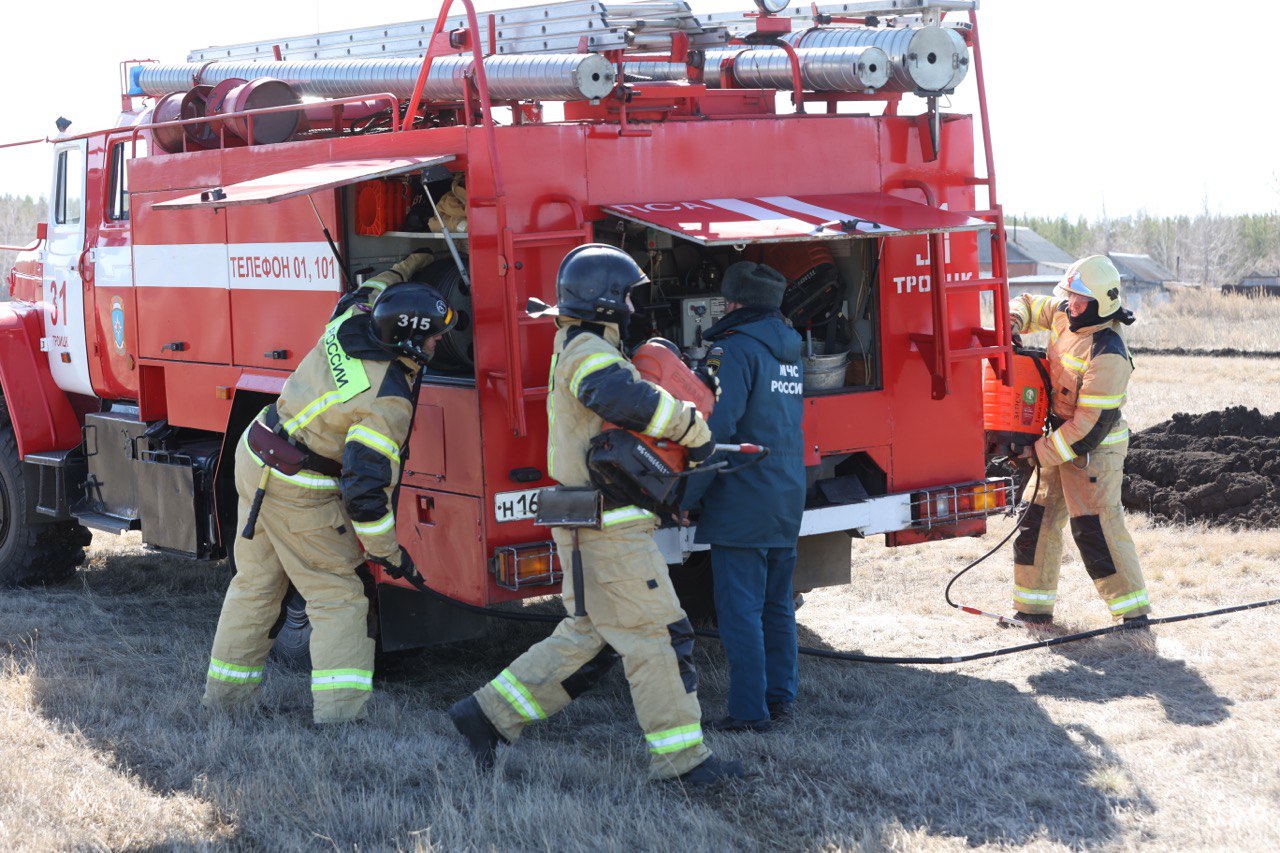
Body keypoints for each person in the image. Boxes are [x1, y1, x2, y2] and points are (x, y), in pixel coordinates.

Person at [448, 244, 745, 786]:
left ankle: (485, 717)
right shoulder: (589, 351)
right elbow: (616, 396)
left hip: (594, 519)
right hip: (607, 526)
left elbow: (625, 403)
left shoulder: (587, 344)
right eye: (628, 294)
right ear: (607, 299)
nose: (633, 305)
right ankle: (682, 764)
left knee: (589, 636)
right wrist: (690, 427)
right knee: (658, 633)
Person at [204, 251, 455, 724]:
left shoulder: (351, 318)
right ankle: (343, 723)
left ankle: (223, 706)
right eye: (435, 335)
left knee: (255, 586)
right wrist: (387, 553)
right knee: (339, 597)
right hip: (298, 487)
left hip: (256, 451)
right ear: (409, 339)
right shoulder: (387, 401)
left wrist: (417, 259)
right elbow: (365, 491)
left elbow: (376, 284)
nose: (441, 341)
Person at [681, 262, 805, 732]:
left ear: (732, 304)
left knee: (740, 612)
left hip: (742, 499)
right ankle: (781, 699)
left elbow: (719, 431)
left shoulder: (732, 351)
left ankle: (749, 712)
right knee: (776, 605)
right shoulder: (790, 351)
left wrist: (688, 494)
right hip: (785, 493)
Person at [1007, 254, 1151, 629]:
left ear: (1101, 303)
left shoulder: (1109, 353)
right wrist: (1012, 321)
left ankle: (1133, 615)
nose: (1071, 305)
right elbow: (1027, 304)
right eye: (1070, 296)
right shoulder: (1064, 313)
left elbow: (1088, 429)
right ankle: (1032, 612)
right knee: (1034, 520)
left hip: (1094, 451)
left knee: (1095, 529)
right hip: (1058, 438)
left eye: (1080, 300)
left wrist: (1037, 453)